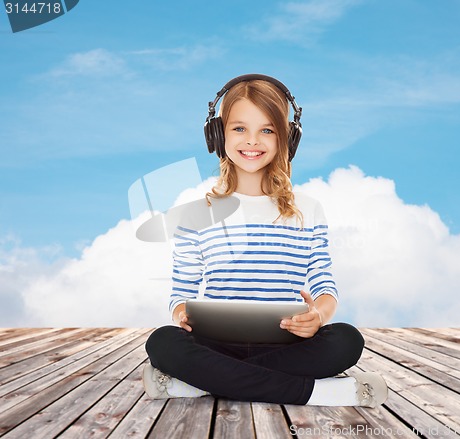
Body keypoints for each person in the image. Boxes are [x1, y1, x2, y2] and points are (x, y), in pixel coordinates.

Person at [142, 74, 388, 407]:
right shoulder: (195, 214)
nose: (252, 141)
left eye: (267, 130)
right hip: (215, 344)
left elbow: (324, 283)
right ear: (218, 135)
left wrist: (318, 315)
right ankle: (320, 393)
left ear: (286, 138)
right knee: (162, 341)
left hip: (288, 343)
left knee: (347, 339)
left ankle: (200, 384)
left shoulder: (308, 210)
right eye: (239, 128)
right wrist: (183, 314)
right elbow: (180, 294)